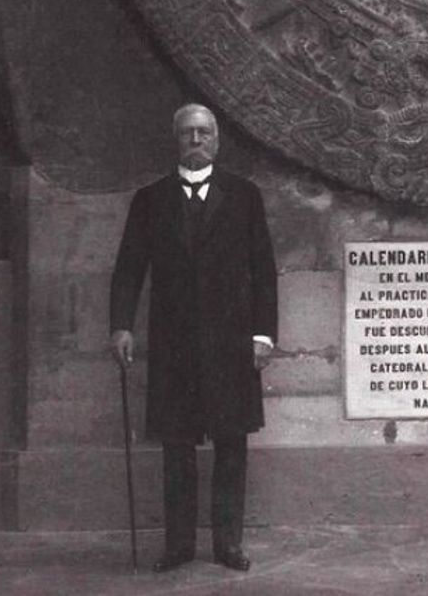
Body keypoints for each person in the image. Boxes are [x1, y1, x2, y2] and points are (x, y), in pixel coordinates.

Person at [110, 103, 277, 573]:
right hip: (174, 344)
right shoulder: (151, 199)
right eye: (188, 134)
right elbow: (129, 268)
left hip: (231, 342)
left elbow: (263, 271)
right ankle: (179, 545)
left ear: (218, 141)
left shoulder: (245, 196)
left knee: (231, 444)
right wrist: (121, 324)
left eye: (205, 133)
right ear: (177, 140)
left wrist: (264, 334)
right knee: (176, 447)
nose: (197, 141)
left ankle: (228, 544)